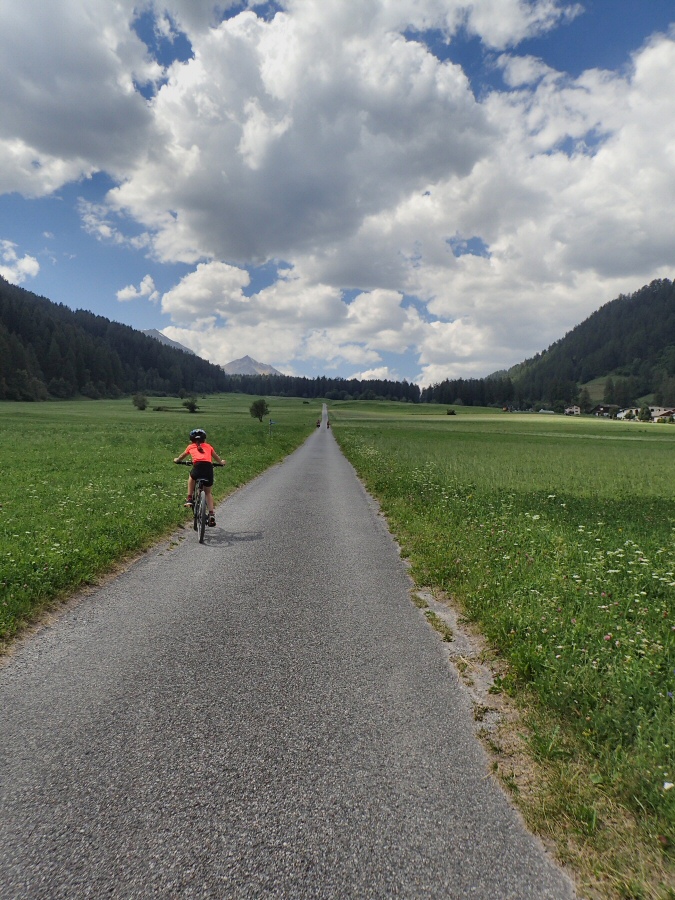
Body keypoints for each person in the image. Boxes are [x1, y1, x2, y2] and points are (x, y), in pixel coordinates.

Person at [174, 428, 225, 527]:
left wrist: (177, 460)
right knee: (208, 492)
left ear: (191, 440)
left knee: (192, 477)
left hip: (197, 467)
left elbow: (181, 457)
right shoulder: (209, 447)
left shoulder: (190, 447)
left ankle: (189, 498)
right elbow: (217, 458)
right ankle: (211, 514)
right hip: (208, 469)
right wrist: (221, 463)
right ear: (204, 439)